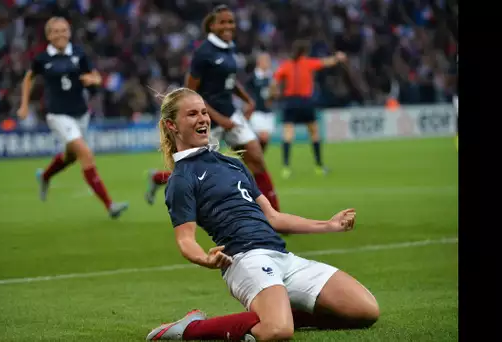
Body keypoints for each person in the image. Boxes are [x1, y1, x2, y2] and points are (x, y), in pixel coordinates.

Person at [145, 87, 379, 341]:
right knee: (278, 331)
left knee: (365, 310)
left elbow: (274, 217)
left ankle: (279, 312)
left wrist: (329, 225)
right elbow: (185, 239)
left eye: (204, 112)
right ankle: (189, 329)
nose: (203, 118)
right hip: (246, 260)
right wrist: (205, 259)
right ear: (172, 125)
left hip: (282, 257)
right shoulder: (182, 179)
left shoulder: (233, 164)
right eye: (192, 114)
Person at [145, 5, 280, 213]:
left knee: (257, 159)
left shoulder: (229, 47)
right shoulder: (203, 53)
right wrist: (217, 118)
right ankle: (157, 178)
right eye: (223, 22)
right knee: (197, 171)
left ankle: (275, 215)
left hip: (230, 113)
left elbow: (229, 80)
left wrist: (248, 100)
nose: (228, 26)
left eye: (231, 22)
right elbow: (191, 93)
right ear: (212, 26)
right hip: (206, 119)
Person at [17, 17, 128, 219]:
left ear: (69, 32)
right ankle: (110, 205)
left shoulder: (78, 53)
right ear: (48, 35)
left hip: (81, 113)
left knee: (70, 157)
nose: (60, 34)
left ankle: (44, 176)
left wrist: (92, 79)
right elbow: (28, 78)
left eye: (64, 30)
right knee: (85, 154)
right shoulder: (42, 59)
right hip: (57, 114)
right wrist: (24, 105)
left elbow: (96, 77)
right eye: (55, 31)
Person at [272, 40, 347, 179]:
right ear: (305, 52)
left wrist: (273, 94)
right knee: (314, 133)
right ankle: (319, 166)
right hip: (306, 102)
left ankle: (286, 168)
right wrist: (338, 57)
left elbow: (275, 81)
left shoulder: (286, 65)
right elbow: (326, 62)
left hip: (290, 102)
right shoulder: (307, 63)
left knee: (288, 134)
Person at [246, 52, 276, 152]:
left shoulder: (271, 77)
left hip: (268, 112)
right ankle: (256, 159)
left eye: (268, 61)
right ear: (259, 62)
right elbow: (247, 94)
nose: (268, 63)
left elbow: (274, 96)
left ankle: (257, 160)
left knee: (265, 140)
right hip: (256, 112)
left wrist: (273, 94)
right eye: (265, 60)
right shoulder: (252, 77)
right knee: (263, 137)